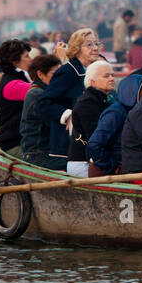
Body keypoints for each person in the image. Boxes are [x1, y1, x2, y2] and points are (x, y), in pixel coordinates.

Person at [39, 28, 105, 169]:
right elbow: (44, 103)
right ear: (76, 48)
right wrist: (67, 114)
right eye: (89, 45)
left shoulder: (96, 70)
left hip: (93, 139)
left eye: (96, 44)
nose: (94, 48)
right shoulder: (67, 71)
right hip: (67, 143)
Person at [69, 61, 115, 176]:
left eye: (112, 75)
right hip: (83, 163)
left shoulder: (104, 100)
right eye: (106, 76)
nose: (112, 79)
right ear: (93, 82)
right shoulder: (87, 103)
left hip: (96, 161)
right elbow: (94, 138)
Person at [20, 54, 66, 170]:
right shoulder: (37, 95)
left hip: (49, 153)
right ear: (40, 74)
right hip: (37, 156)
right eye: (56, 74)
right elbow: (58, 124)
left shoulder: (47, 93)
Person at [0, 38, 34, 157]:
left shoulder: (20, 76)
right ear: (14, 61)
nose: (30, 59)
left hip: (25, 141)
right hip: (16, 145)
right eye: (27, 56)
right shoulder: (12, 85)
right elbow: (43, 91)